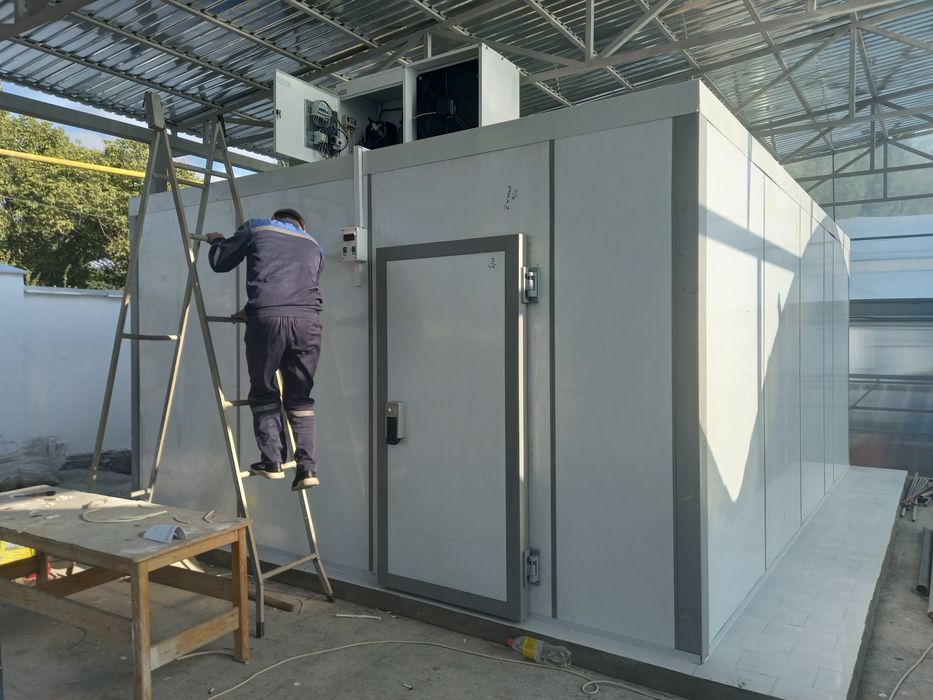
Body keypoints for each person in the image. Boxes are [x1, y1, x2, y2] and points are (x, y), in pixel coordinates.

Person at [206, 209, 323, 491]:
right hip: (308, 323)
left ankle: (272, 461)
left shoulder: (258, 227)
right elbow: (296, 287)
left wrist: (217, 241)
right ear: (301, 224)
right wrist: (252, 309)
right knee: (300, 398)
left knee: (264, 389)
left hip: (268, 322)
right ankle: (307, 469)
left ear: (276, 219)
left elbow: (220, 262)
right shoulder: (313, 244)